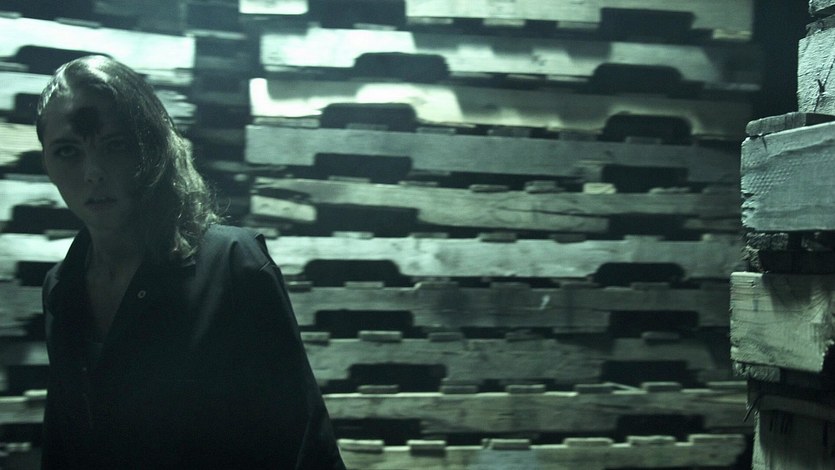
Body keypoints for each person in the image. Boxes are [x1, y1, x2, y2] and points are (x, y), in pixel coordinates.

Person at [36, 55, 346, 469]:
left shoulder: (233, 266)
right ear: (47, 164)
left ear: (150, 148)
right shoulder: (62, 289)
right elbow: (62, 446)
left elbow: (306, 448)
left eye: (114, 145)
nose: (93, 172)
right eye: (67, 151)